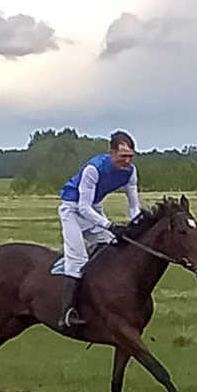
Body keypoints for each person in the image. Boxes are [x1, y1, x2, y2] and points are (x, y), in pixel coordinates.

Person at [57, 131, 141, 331]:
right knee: (77, 258)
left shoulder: (131, 171)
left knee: (112, 247)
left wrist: (136, 224)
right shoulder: (93, 169)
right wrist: (110, 225)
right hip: (73, 208)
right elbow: (83, 208)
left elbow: (133, 205)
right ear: (112, 153)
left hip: (94, 208)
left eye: (130, 156)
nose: (127, 161)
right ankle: (66, 313)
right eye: (123, 156)